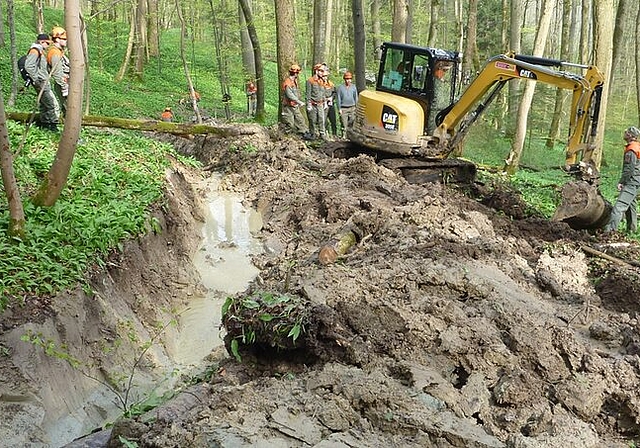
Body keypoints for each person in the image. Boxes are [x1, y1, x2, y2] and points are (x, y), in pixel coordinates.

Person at [604, 126, 640, 233]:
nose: (624, 133)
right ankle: (632, 229)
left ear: (630, 135)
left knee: (619, 207)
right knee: (631, 204)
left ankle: (610, 231)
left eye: (626, 132)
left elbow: (629, 169)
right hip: (637, 181)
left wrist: (622, 182)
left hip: (631, 181)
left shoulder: (631, 150)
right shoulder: (637, 146)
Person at [24, 32, 59, 131]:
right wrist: (36, 79)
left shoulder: (40, 51)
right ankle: (52, 126)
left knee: (44, 104)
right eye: (47, 43)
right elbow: (29, 66)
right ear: (42, 42)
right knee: (51, 104)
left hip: (43, 81)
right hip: (41, 82)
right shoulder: (35, 51)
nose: (48, 46)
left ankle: (44, 125)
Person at [281, 63, 309, 137]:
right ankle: (285, 137)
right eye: (297, 73)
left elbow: (296, 93)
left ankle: (303, 133)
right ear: (295, 74)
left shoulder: (294, 81)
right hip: (288, 106)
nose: (298, 75)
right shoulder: (288, 82)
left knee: (300, 120)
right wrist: (299, 102)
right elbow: (290, 95)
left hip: (294, 105)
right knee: (290, 123)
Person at [47, 26, 70, 117]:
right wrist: (64, 87)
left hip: (66, 83)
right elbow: (57, 72)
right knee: (68, 109)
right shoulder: (55, 53)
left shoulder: (59, 51)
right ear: (57, 39)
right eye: (64, 39)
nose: (66, 41)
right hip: (63, 85)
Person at [429, 61, 453, 133]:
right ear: (438, 68)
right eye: (444, 70)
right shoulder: (432, 83)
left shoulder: (436, 82)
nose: (444, 74)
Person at [306, 63, 328, 140]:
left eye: (323, 71)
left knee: (322, 119)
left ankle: (322, 134)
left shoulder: (322, 81)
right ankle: (313, 134)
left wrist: (325, 102)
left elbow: (323, 93)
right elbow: (308, 94)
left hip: (320, 104)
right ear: (316, 71)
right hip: (313, 104)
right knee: (312, 120)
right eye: (321, 71)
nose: (322, 73)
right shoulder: (310, 81)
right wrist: (308, 104)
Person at [336, 71, 358, 138]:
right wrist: (339, 108)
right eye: (347, 79)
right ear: (344, 79)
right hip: (344, 108)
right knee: (344, 123)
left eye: (350, 79)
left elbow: (356, 97)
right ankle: (344, 136)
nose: (348, 80)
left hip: (352, 107)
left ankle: (351, 136)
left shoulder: (353, 87)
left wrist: (357, 107)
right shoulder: (340, 87)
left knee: (352, 123)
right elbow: (338, 98)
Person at [321, 64, 338, 138]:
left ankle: (334, 134)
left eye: (326, 76)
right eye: (323, 76)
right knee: (323, 121)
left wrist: (332, 98)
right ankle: (325, 133)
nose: (325, 78)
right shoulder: (319, 84)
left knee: (333, 120)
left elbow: (335, 92)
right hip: (322, 104)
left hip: (330, 104)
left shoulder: (331, 84)